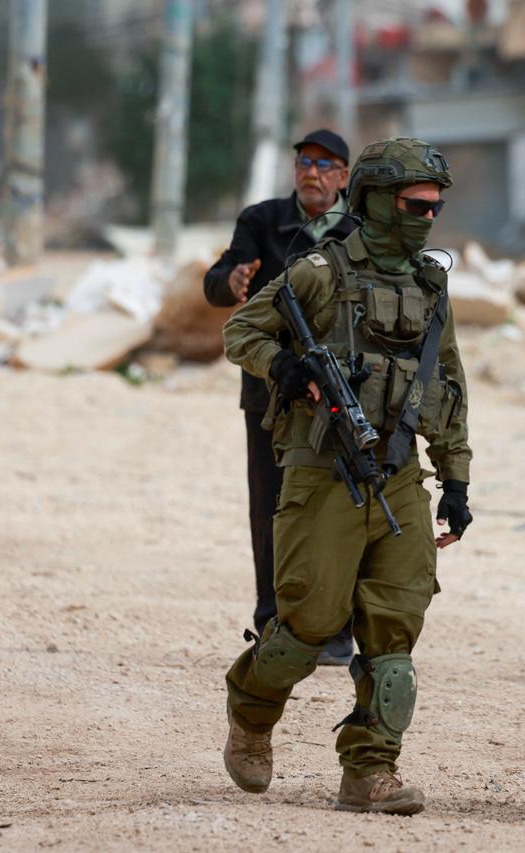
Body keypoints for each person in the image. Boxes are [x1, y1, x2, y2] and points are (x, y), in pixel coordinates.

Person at [219, 138, 473, 814]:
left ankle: (370, 769)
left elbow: (447, 382)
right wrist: (286, 367)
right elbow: (242, 330)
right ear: (377, 199)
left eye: (435, 204)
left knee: (394, 639)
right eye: (415, 202)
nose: (428, 213)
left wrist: (456, 480)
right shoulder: (320, 273)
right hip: (324, 474)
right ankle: (250, 709)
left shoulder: (429, 284)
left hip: (397, 477)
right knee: (306, 625)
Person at [204, 129, 357, 665]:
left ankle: (336, 629)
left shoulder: (360, 227)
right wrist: (232, 282)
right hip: (271, 391)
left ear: (343, 175)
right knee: (269, 506)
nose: (311, 172)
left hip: (343, 391)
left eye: (324, 164)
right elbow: (218, 281)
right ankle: (273, 622)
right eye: (303, 162)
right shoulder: (263, 221)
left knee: (339, 507)